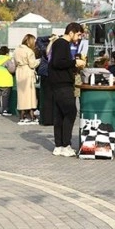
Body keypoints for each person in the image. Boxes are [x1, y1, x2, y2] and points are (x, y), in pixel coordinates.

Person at [49, 23, 86, 157]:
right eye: (78, 35)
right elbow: (58, 63)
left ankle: (58, 145)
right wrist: (74, 63)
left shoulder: (60, 44)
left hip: (58, 83)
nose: (79, 38)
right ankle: (66, 145)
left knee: (59, 114)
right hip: (62, 84)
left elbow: (60, 63)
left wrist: (74, 67)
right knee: (71, 112)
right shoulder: (62, 44)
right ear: (71, 32)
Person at [14, 34, 40, 125]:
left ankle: (22, 115)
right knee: (30, 95)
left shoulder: (17, 50)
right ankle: (31, 115)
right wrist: (39, 61)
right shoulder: (29, 51)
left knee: (21, 95)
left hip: (19, 71)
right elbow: (32, 64)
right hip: (27, 72)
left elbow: (14, 62)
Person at [36, 34, 57, 125]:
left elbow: (39, 39)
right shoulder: (57, 48)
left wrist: (50, 37)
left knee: (46, 97)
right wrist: (52, 38)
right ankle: (52, 118)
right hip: (53, 73)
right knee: (52, 97)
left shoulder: (44, 47)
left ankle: (46, 119)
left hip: (45, 72)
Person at [0, 46, 15, 117]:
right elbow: (12, 69)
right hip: (6, 81)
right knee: (5, 96)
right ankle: (5, 110)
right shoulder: (7, 60)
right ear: (7, 53)